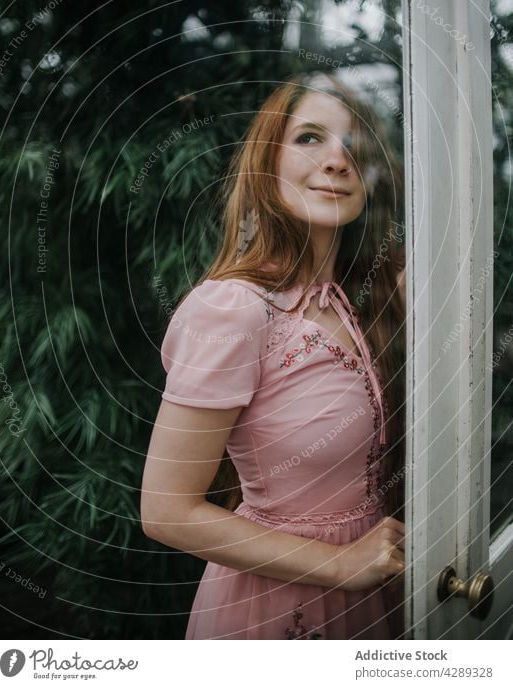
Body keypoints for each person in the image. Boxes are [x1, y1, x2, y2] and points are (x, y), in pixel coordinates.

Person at [140, 71, 407, 639]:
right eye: (309, 137)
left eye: (355, 143)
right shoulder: (233, 310)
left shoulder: (365, 304)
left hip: (377, 594)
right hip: (274, 605)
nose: (337, 160)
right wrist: (340, 563)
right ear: (266, 161)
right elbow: (166, 511)